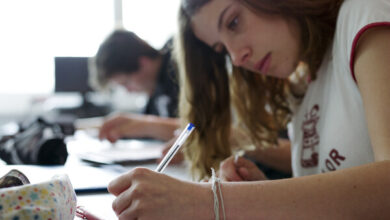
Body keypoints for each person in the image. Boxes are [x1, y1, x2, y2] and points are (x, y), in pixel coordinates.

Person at [107, 0, 390, 219]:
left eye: (233, 22)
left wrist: (209, 202)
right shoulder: (302, 84)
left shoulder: (364, 15)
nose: (236, 57)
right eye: (221, 48)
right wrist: (260, 192)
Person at [90, 30, 180, 142]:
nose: (129, 91)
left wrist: (145, 125)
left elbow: (198, 129)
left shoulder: (179, 70)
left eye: (126, 83)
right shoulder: (154, 89)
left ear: (143, 63)